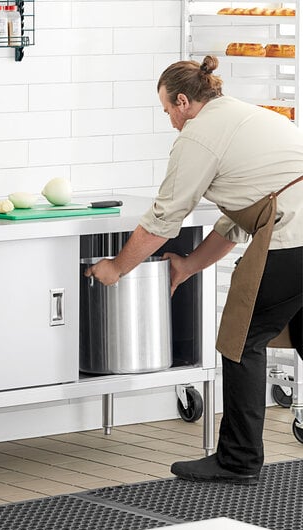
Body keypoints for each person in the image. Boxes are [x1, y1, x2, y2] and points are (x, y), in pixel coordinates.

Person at [85, 55, 303, 485]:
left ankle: (237, 461)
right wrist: (186, 266)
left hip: (291, 239)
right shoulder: (246, 116)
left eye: (168, 111)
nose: (170, 121)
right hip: (295, 232)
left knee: (240, 341)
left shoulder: (199, 137)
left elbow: (164, 219)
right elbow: (235, 222)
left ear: (183, 101)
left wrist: (116, 268)